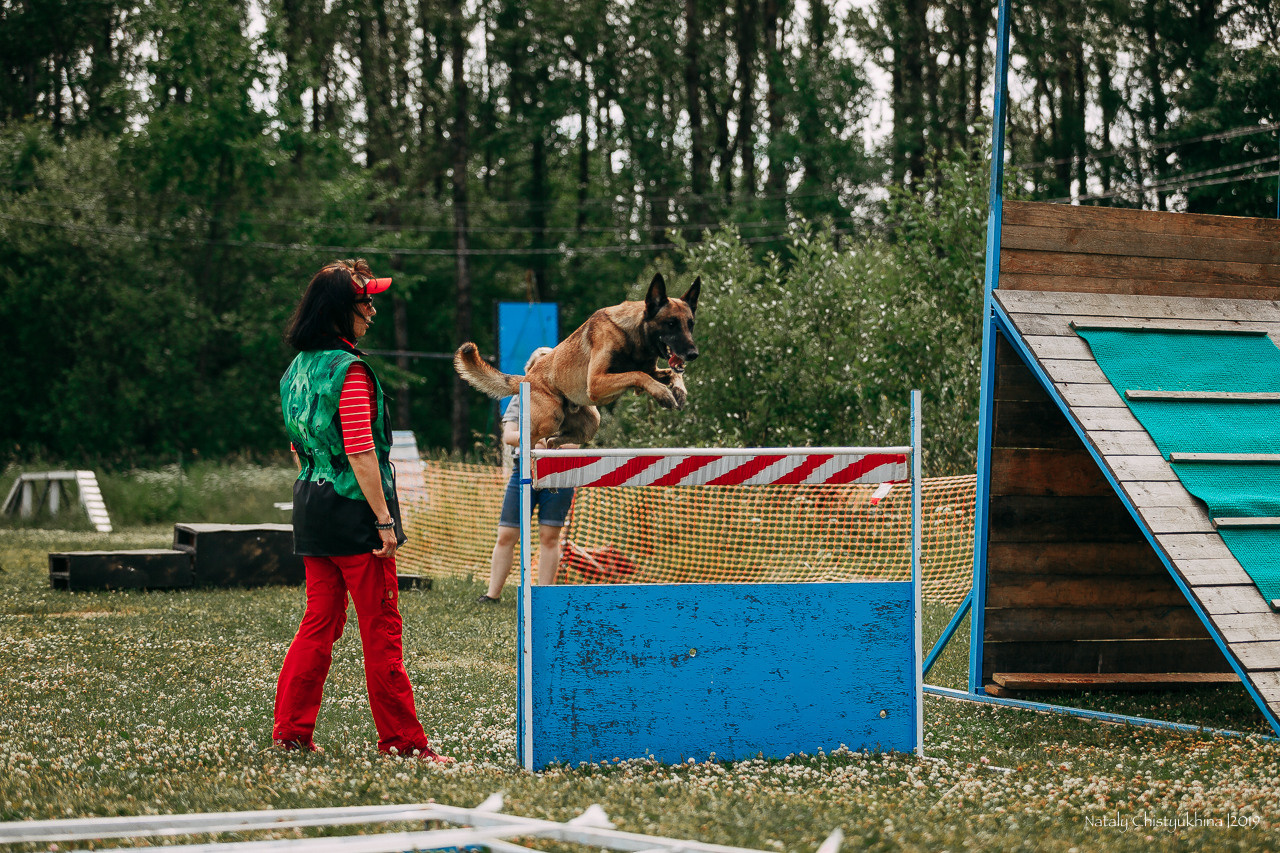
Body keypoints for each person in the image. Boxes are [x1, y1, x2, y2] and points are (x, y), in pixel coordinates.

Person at [274, 258, 451, 763]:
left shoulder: (295, 371)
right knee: (381, 629)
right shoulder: (349, 370)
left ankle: (290, 732)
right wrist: (385, 520)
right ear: (338, 311)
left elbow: (297, 445)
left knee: (317, 624)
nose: (371, 312)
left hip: (310, 506)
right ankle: (404, 743)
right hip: (355, 515)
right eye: (363, 302)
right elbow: (360, 451)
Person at [477, 346, 575, 603]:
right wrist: (532, 439)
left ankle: (543, 597)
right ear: (529, 370)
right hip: (524, 470)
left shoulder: (572, 399)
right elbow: (509, 436)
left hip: (560, 472)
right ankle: (492, 595)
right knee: (507, 534)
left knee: (549, 536)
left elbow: (576, 442)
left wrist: (546, 441)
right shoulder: (521, 397)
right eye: (538, 364)